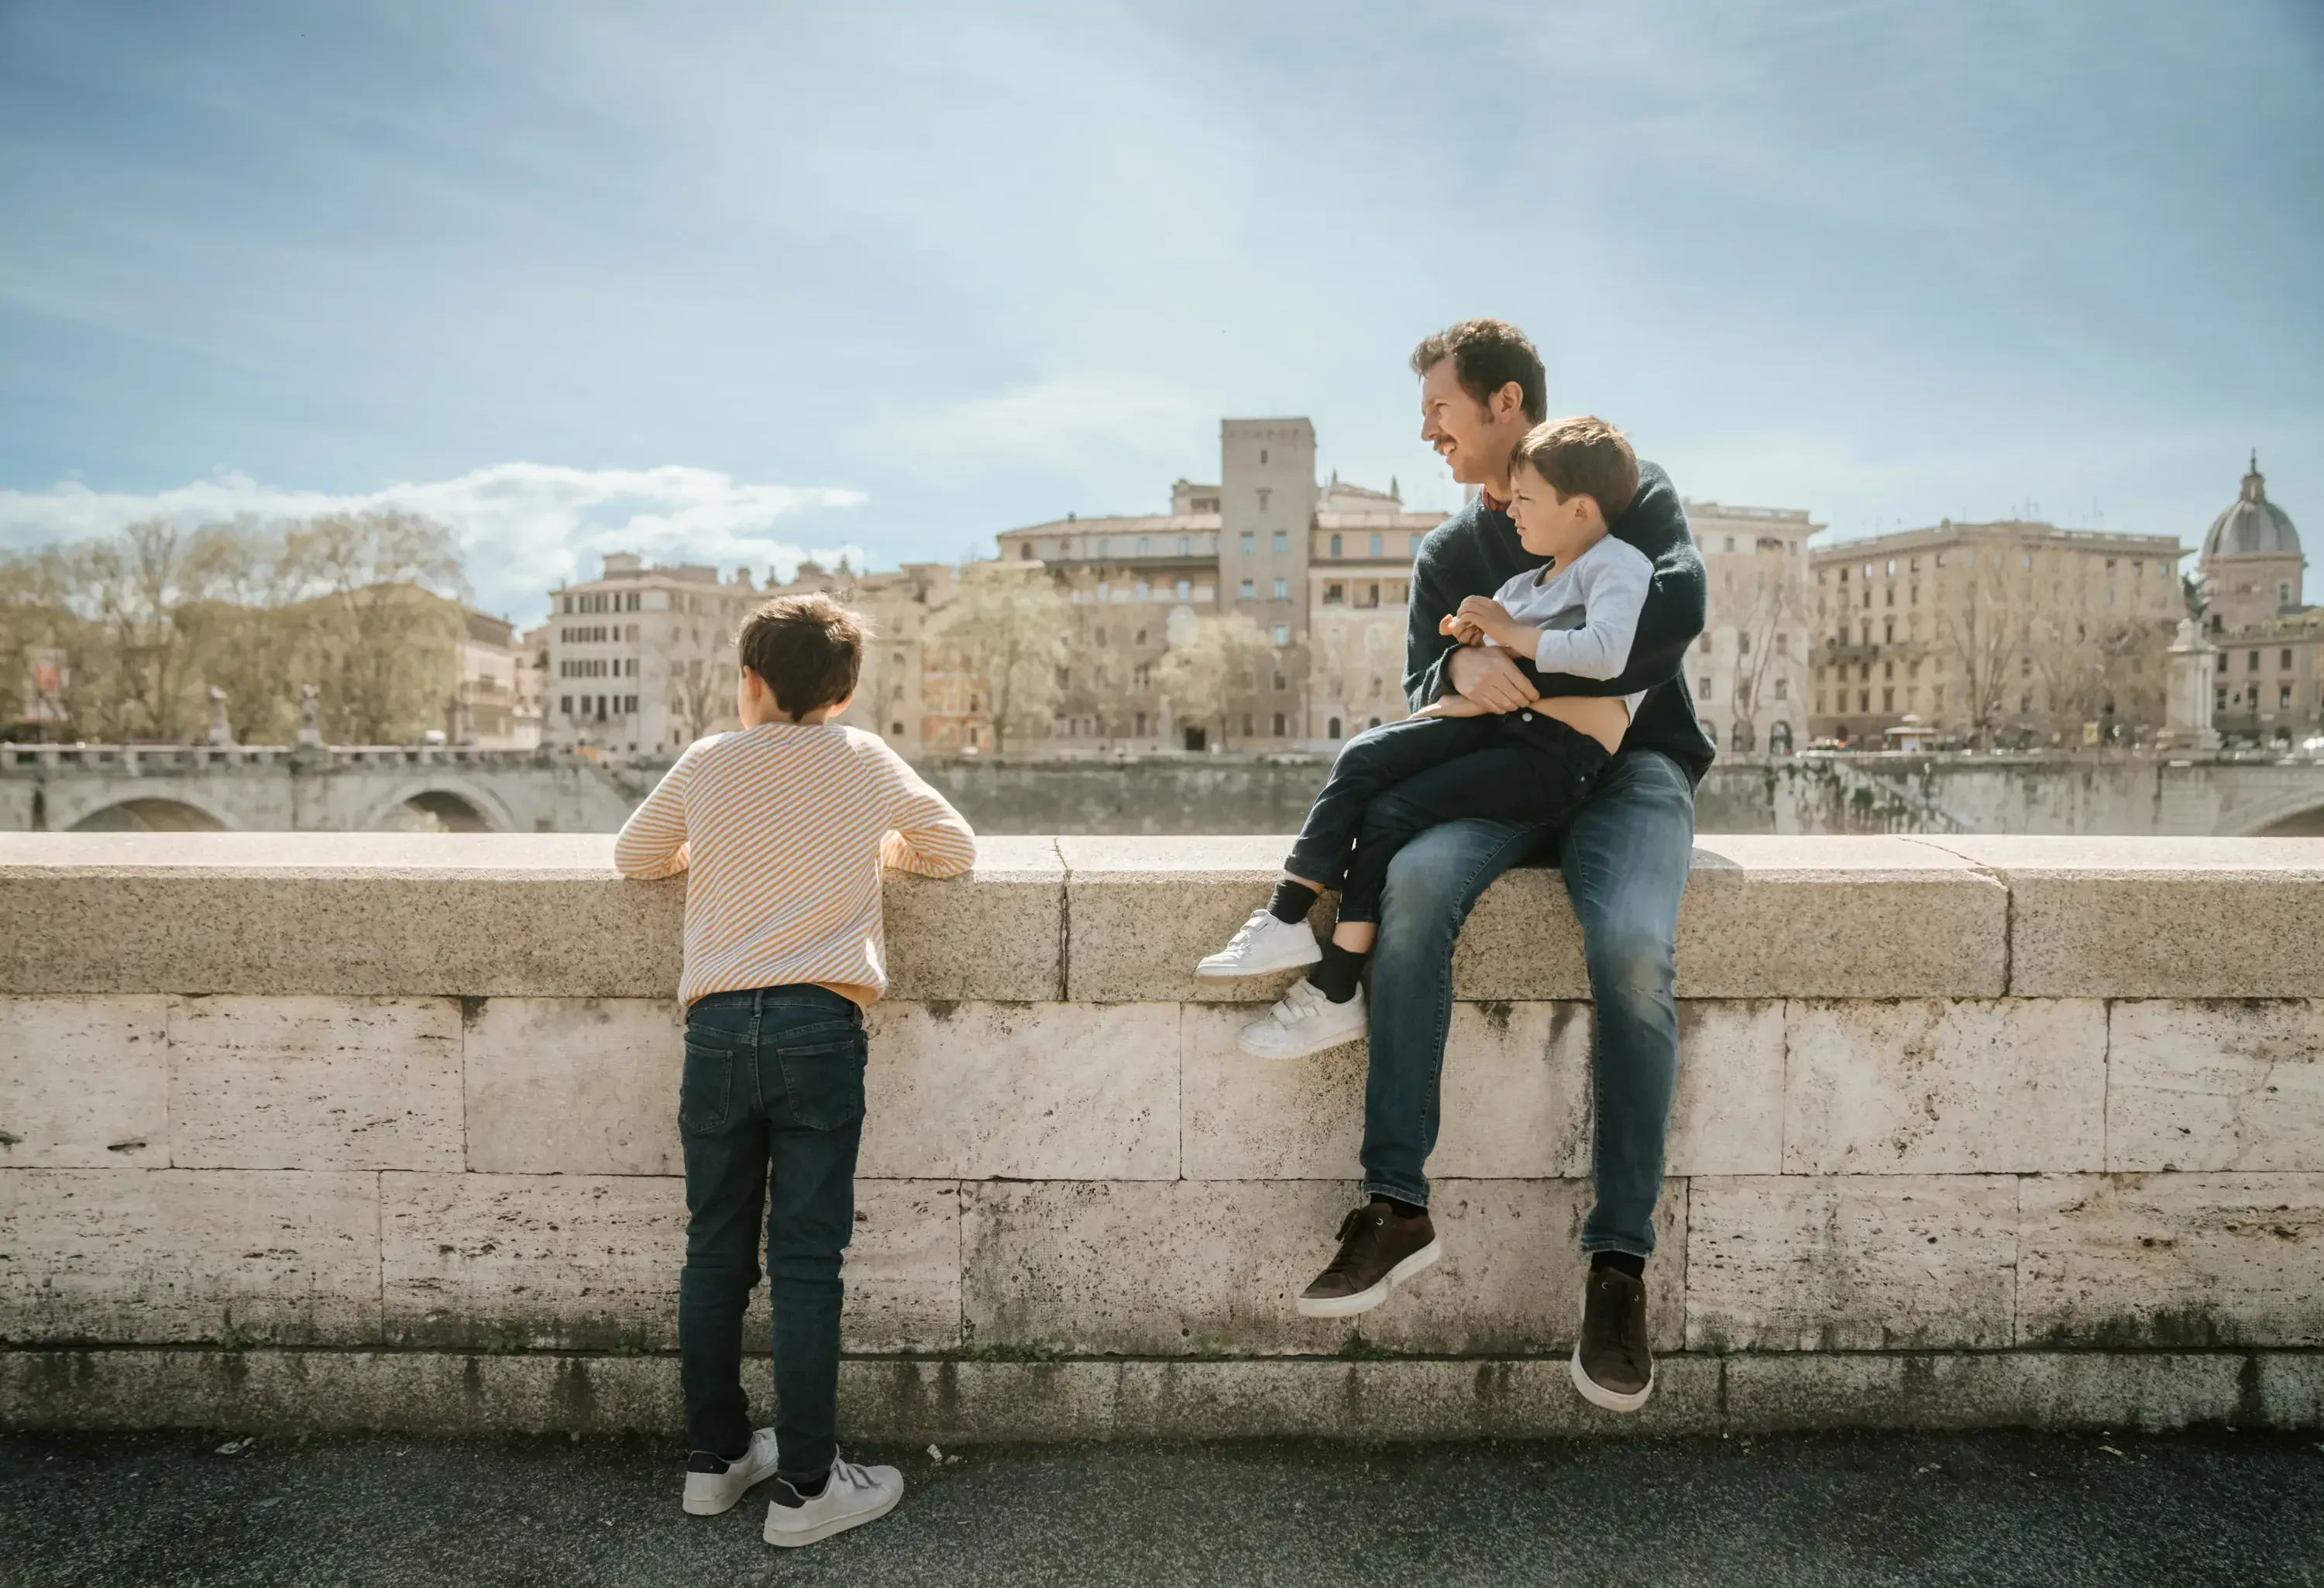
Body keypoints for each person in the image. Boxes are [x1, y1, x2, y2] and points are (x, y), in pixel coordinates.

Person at [1272, 320, 1712, 1414]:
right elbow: (1429, 677)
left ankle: (1618, 1266)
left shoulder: (1622, 486)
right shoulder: (1441, 553)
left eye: (1441, 413)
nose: (1427, 432)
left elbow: (1678, 607)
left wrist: (1532, 658)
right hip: (1501, 772)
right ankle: (1394, 1203)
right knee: (1414, 886)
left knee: (1630, 950)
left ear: (1506, 405)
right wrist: (1465, 656)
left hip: (1630, 770)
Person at [615, 592, 976, 1547]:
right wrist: (873, 845)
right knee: (807, 1264)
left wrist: (721, 846)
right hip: (821, 1024)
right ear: (846, 689)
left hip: (719, 1028)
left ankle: (715, 1459)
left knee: (714, 1252)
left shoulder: (708, 760)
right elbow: (954, 849)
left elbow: (635, 857)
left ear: (749, 681)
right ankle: (809, 1486)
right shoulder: (861, 759)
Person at [1198, 417, 1652, 1077]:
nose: (1509, 512)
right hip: (1503, 730)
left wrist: (1504, 634)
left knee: (1361, 759)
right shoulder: (1527, 585)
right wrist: (1469, 640)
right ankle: (1335, 986)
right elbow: (1489, 656)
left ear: (1579, 508)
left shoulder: (1618, 563)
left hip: (1555, 756)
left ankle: (1288, 916)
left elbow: (1608, 654)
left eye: (1524, 500)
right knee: (1382, 803)